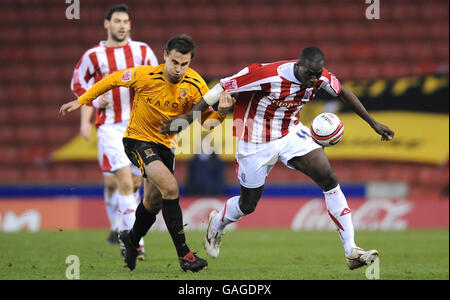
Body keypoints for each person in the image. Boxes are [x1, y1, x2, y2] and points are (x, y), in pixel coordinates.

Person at [160, 46, 395, 270]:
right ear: (299, 65)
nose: (315, 80)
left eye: (317, 75)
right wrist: (184, 120)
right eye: (311, 75)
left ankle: (351, 250)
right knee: (248, 204)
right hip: (254, 141)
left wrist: (373, 123)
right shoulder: (265, 74)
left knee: (329, 178)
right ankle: (218, 222)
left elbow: (342, 91)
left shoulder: (319, 76)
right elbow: (219, 89)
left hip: (290, 133)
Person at [60, 35, 235, 272]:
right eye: (175, 62)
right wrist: (82, 101)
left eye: (184, 64)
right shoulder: (145, 75)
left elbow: (207, 125)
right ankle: (185, 254)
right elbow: (111, 80)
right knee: (171, 188)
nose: (178, 69)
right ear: (165, 56)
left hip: (165, 146)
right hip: (138, 141)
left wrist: (222, 112)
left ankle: (131, 241)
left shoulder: (195, 85)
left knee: (152, 203)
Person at [70, 3, 158, 257]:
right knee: (119, 181)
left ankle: (123, 229)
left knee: (134, 182)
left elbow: (157, 78)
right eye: (117, 21)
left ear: (130, 25)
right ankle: (133, 242)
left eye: (125, 22)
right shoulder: (94, 55)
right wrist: (94, 102)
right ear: (107, 24)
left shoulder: (142, 51)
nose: (122, 26)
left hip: (139, 127)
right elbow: (77, 82)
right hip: (109, 125)